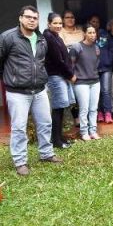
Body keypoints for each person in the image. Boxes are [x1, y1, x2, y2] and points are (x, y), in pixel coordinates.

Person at [0, 5, 62, 176]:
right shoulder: (8, 38)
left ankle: (46, 154)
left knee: (45, 123)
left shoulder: (41, 39)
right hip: (17, 92)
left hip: (39, 90)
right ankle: (20, 162)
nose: (32, 20)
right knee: (19, 127)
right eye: (28, 17)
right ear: (20, 18)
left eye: (35, 18)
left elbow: (41, 62)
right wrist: (9, 80)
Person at [44, 12, 76, 149]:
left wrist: (68, 73)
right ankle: (56, 141)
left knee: (61, 107)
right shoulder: (49, 37)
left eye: (59, 23)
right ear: (49, 24)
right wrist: (70, 75)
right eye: (55, 23)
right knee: (58, 108)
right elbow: (58, 60)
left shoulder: (56, 36)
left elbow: (66, 58)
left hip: (61, 76)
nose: (58, 26)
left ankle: (60, 137)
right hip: (56, 76)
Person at [70, 23, 101, 141]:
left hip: (95, 81)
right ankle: (84, 132)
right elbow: (70, 64)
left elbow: (97, 63)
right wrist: (72, 76)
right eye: (90, 32)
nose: (92, 35)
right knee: (84, 108)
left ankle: (93, 131)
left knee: (93, 108)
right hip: (81, 82)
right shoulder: (77, 47)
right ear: (84, 34)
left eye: (94, 32)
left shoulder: (97, 47)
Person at [59, 10, 84, 127]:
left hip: (83, 67)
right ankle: (76, 118)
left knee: (83, 92)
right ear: (63, 20)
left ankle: (85, 116)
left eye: (72, 17)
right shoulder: (60, 32)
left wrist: (71, 46)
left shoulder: (80, 32)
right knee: (73, 94)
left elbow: (86, 45)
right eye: (67, 17)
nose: (70, 19)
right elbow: (63, 48)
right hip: (70, 67)